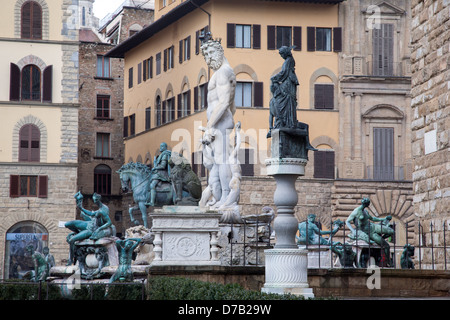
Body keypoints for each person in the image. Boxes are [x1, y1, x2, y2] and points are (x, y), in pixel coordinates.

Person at [200, 33, 236, 207]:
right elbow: (232, 105)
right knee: (215, 164)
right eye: (205, 56)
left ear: (219, 52)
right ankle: (218, 197)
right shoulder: (224, 71)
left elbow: (223, 102)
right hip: (218, 123)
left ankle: (226, 198)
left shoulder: (223, 72)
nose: (208, 60)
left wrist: (209, 126)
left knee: (222, 160)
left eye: (210, 54)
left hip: (218, 123)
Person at [65, 192, 115, 265]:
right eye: (94, 200)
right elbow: (91, 214)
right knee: (68, 224)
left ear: (99, 199)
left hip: (92, 230)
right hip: (89, 224)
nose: (94, 202)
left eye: (96, 200)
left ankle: (70, 260)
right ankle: (78, 233)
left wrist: (100, 229)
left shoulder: (104, 209)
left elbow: (108, 222)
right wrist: (81, 208)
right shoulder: (99, 209)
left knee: (72, 240)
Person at [346, 198, 394, 266]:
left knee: (391, 231)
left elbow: (373, 218)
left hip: (372, 226)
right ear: (366, 204)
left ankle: (381, 238)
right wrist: (353, 231)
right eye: (368, 204)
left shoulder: (365, 211)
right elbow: (347, 221)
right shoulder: (356, 211)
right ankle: (389, 262)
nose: (369, 205)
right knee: (386, 245)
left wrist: (384, 219)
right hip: (369, 232)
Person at [269, 46, 299, 129]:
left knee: (285, 99)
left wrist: (274, 78)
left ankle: (287, 121)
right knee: (286, 99)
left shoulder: (288, 61)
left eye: (281, 54)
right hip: (289, 82)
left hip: (288, 83)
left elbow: (283, 72)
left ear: (285, 53)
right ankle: (287, 120)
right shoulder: (289, 60)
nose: (281, 56)